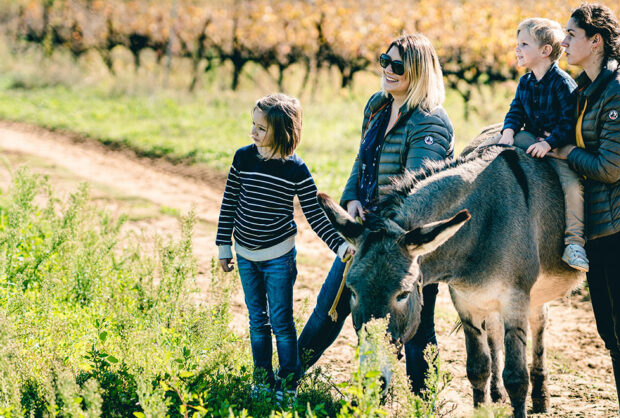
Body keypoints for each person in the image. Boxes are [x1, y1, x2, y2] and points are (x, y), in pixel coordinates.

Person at [298, 33, 454, 395]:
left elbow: (415, 195)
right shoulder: (378, 105)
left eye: (398, 65)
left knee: (418, 327)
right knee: (331, 305)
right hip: (369, 233)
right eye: (385, 60)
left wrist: (367, 228)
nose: (387, 69)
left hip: (405, 245)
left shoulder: (430, 122)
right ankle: (285, 379)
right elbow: (362, 160)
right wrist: (351, 197)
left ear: (418, 72)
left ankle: (422, 402)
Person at [550, 4, 620, 417]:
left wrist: (566, 152)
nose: (563, 42)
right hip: (603, 231)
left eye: (570, 34)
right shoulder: (587, 88)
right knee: (613, 338)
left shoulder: (619, 90)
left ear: (594, 41)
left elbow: (611, 169)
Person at [215, 93, 350, 400]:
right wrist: (224, 245)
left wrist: (339, 246)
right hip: (245, 255)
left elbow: (315, 215)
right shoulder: (243, 158)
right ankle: (262, 381)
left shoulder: (296, 170)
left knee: (281, 322)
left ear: (283, 132)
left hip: (278, 257)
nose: (253, 132)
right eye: (253, 124)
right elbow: (228, 204)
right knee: (257, 321)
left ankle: (287, 384)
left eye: (261, 128)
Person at [488, 17, 589, 272]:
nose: (517, 49)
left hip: (560, 146)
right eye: (517, 43)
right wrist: (509, 132)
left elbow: (569, 123)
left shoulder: (562, 83)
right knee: (494, 148)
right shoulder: (525, 82)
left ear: (545, 51)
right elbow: (516, 111)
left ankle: (575, 243)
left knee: (573, 187)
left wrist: (550, 144)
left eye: (524, 44)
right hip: (530, 139)